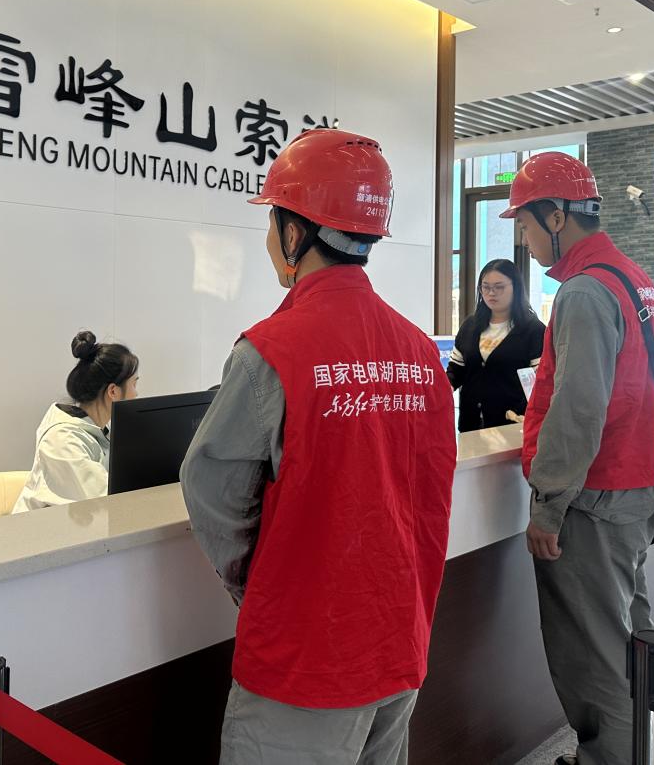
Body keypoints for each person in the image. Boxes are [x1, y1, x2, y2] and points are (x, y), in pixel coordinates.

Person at [179, 128, 457, 765]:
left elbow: (210, 487)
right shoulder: (421, 353)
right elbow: (430, 493)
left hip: (305, 659)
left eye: (273, 220)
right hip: (400, 640)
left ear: (294, 234)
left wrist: (255, 586)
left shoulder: (271, 351)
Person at [501, 152, 654, 765]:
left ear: (556, 216)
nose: (525, 240)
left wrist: (547, 507)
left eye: (525, 224)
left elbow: (579, 409)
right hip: (631, 485)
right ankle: (641, 749)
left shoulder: (584, 290)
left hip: (593, 497)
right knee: (626, 638)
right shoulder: (631, 276)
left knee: (593, 657)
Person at [11, 331, 139, 513]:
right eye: (134, 384)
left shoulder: (96, 431)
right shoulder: (62, 441)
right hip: (41, 530)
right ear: (113, 391)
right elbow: (108, 501)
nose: (136, 393)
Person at [447, 259, 545, 431]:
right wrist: (441, 390)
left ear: (516, 287)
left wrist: (528, 415)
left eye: (499, 287)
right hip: (471, 424)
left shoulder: (533, 330)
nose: (491, 293)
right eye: (485, 287)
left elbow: (539, 382)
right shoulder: (470, 326)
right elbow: (456, 370)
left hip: (512, 424)